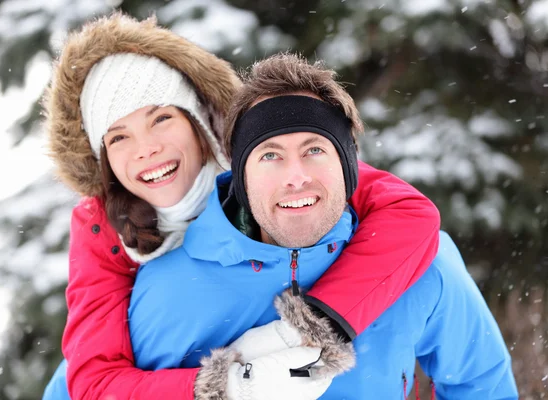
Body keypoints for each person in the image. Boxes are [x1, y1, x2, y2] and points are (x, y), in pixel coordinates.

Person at [42, 13, 441, 399]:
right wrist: (228, 387)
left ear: (199, 123)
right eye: (118, 138)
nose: (147, 149)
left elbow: (409, 213)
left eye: (161, 118)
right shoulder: (102, 230)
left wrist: (305, 327)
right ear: (104, 159)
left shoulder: (263, 164)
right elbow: (94, 382)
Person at [127, 53, 519, 399]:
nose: (296, 177)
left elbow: (481, 383)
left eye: (314, 149)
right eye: (270, 155)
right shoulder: (167, 291)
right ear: (242, 178)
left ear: (349, 168)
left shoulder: (422, 263)